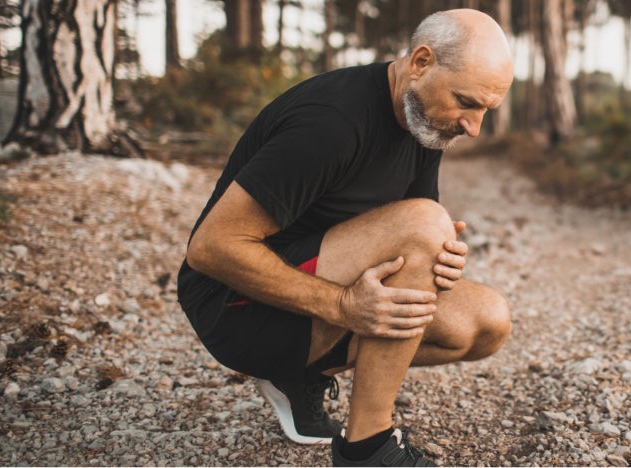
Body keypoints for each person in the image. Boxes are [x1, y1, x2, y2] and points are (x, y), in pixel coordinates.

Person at [177, 8, 514, 466]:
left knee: (486, 322)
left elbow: (405, 241)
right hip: (236, 310)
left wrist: (441, 260)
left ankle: (299, 376)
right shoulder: (331, 121)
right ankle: (367, 447)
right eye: (466, 102)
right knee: (424, 223)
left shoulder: (424, 121)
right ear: (421, 62)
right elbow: (210, 248)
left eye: (484, 111)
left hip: (310, 301)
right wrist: (342, 306)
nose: (472, 126)